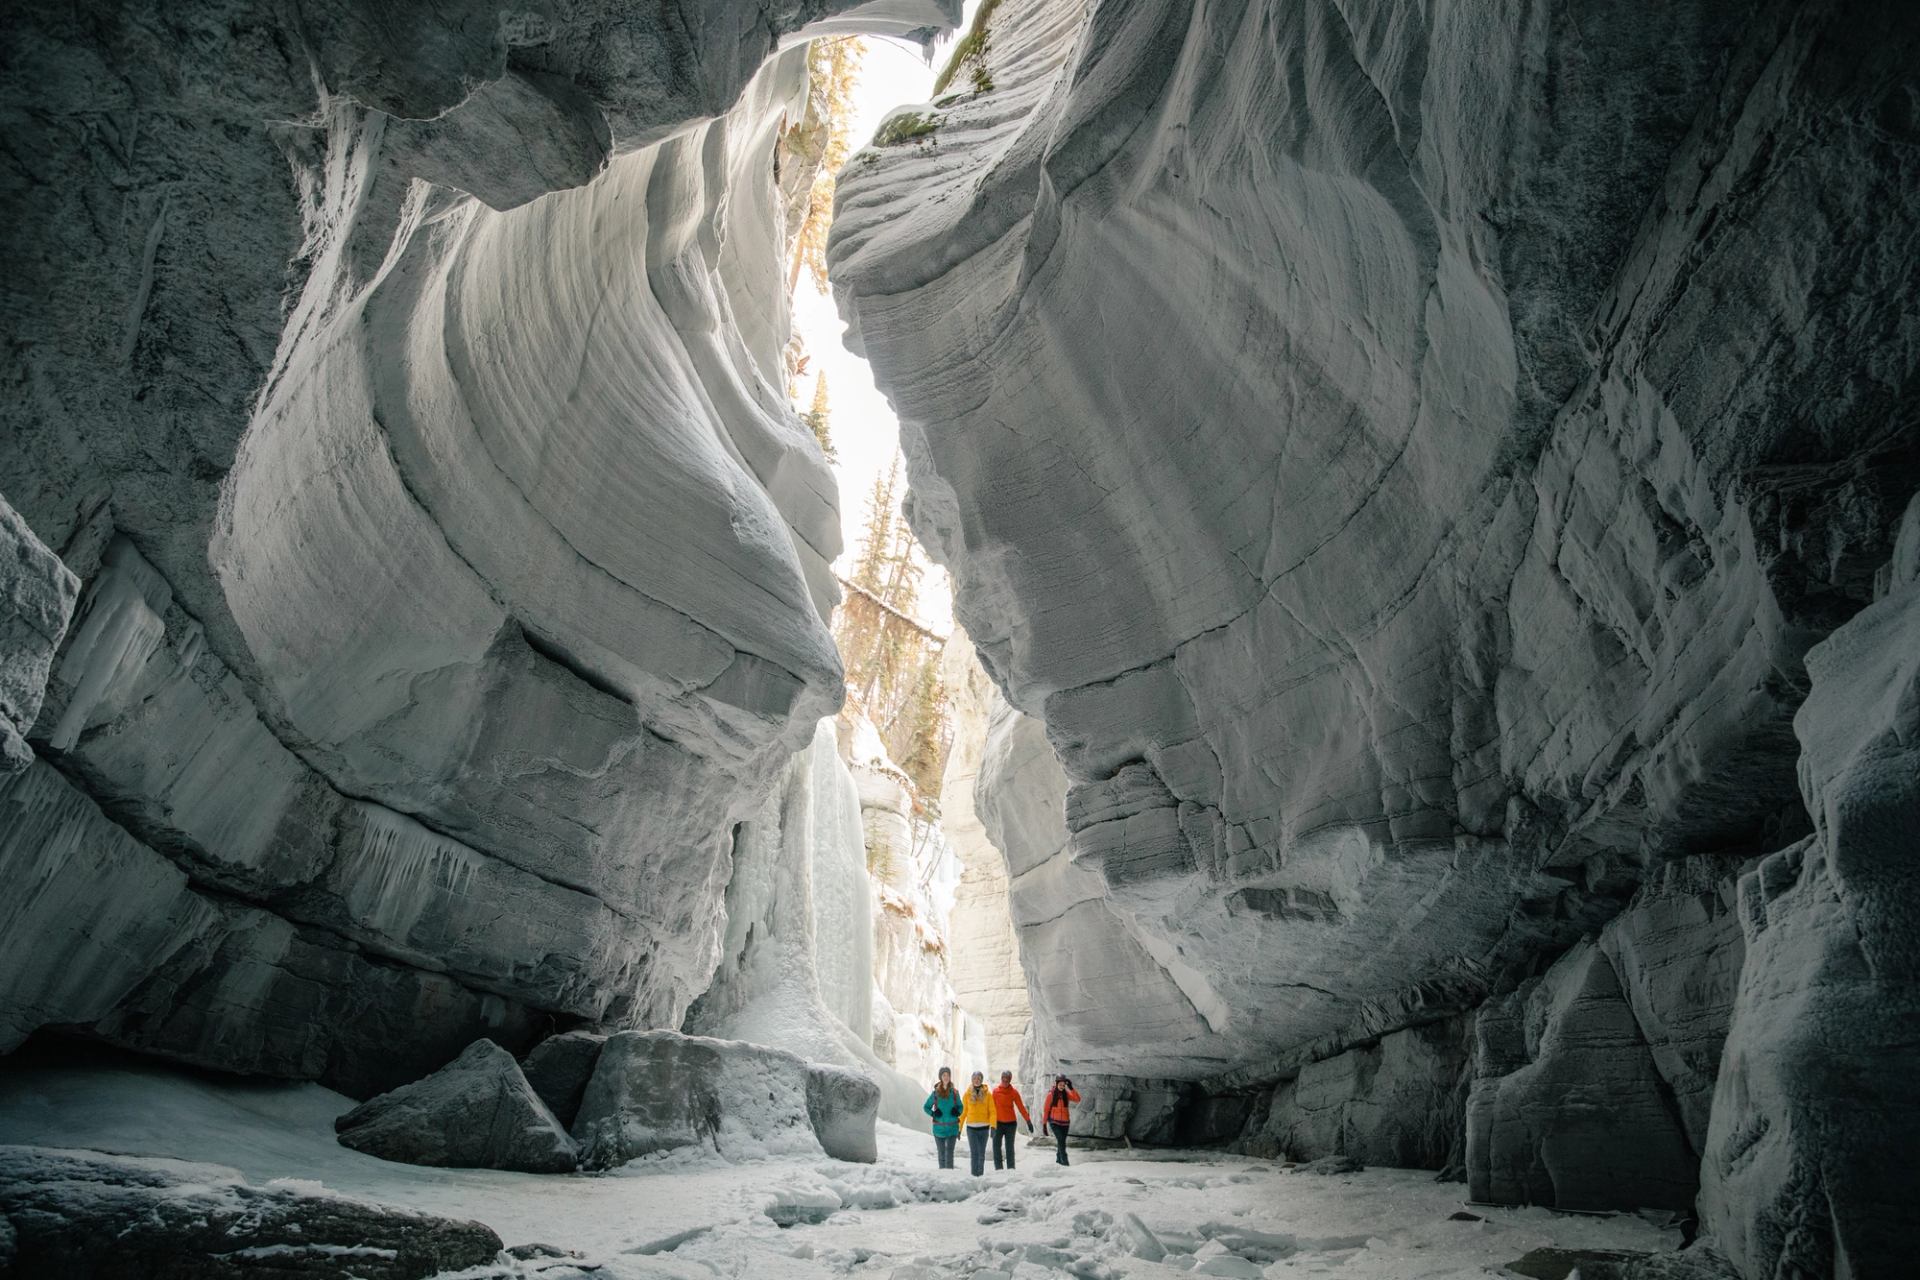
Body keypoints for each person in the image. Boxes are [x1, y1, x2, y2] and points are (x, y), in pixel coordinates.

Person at [990, 1070, 1033, 1170]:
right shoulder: (995, 1092)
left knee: (1009, 1148)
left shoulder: (1014, 1092)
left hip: (1011, 1125)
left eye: (1007, 1079)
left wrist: (1028, 1121)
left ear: (1010, 1080)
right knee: (996, 1147)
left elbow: (1021, 1107)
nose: (1005, 1080)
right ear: (1001, 1079)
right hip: (998, 1124)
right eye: (1003, 1078)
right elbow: (991, 1110)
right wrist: (991, 1125)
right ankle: (999, 1170)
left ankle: (1011, 1169)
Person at [923, 1067, 962, 1169]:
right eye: (944, 1075)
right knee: (941, 1155)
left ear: (950, 1077)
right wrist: (934, 1113)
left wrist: (957, 1112)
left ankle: (950, 1177)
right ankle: (942, 1176)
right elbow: (926, 1107)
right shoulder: (935, 1093)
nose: (946, 1077)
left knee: (949, 1155)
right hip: (939, 1129)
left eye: (948, 1075)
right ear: (940, 1077)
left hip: (952, 1129)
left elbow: (961, 1107)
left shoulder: (954, 1093)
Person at [960, 1070, 997, 1176]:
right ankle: (974, 1176)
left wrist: (993, 1126)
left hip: (984, 1129)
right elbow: (963, 1113)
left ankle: (980, 1176)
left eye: (978, 1079)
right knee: (974, 1153)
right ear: (972, 1080)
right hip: (971, 1129)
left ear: (981, 1080)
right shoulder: (967, 1095)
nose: (976, 1080)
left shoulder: (988, 1095)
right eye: (974, 1079)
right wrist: (959, 1128)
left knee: (981, 1154)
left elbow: (992, 1111)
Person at [1044, 1074, 1080, 1166]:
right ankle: (1065, 1162)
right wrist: (1044, 1125)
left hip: (1065, 1123)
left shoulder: (1066, 1094)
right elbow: (1046, 1109)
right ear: (1056, 1084)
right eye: (1060, 1084)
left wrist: (1071, 1088)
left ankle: (1058, 1161)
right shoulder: (1051, 1095)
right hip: (1054, 1122)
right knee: (1061, 1140)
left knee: (1061, 1142)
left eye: (1064, 1085)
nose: (1062, 1086)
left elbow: (1077, 1099)